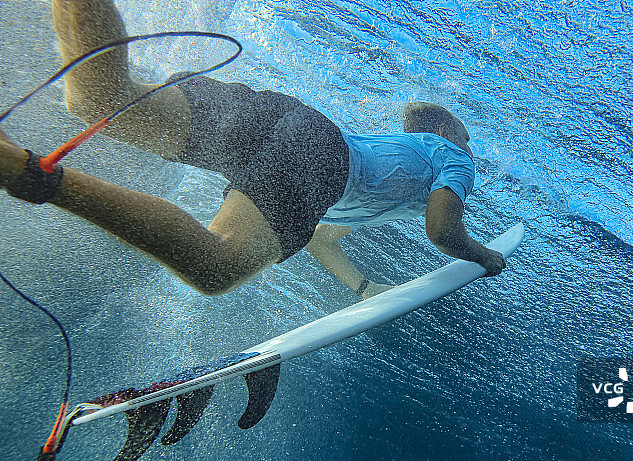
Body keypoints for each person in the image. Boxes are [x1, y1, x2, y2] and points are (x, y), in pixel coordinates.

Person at [0, 0, 506, 298]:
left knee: (97, 98)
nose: (469, 157)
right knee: (216, 266)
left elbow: (321, 240)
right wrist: (482, 257)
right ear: (452, 135)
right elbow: (442, 228)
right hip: (316, 158)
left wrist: (362, 291)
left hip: (282, 120)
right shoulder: (453, 156)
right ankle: (27, 173)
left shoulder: (397, 160)